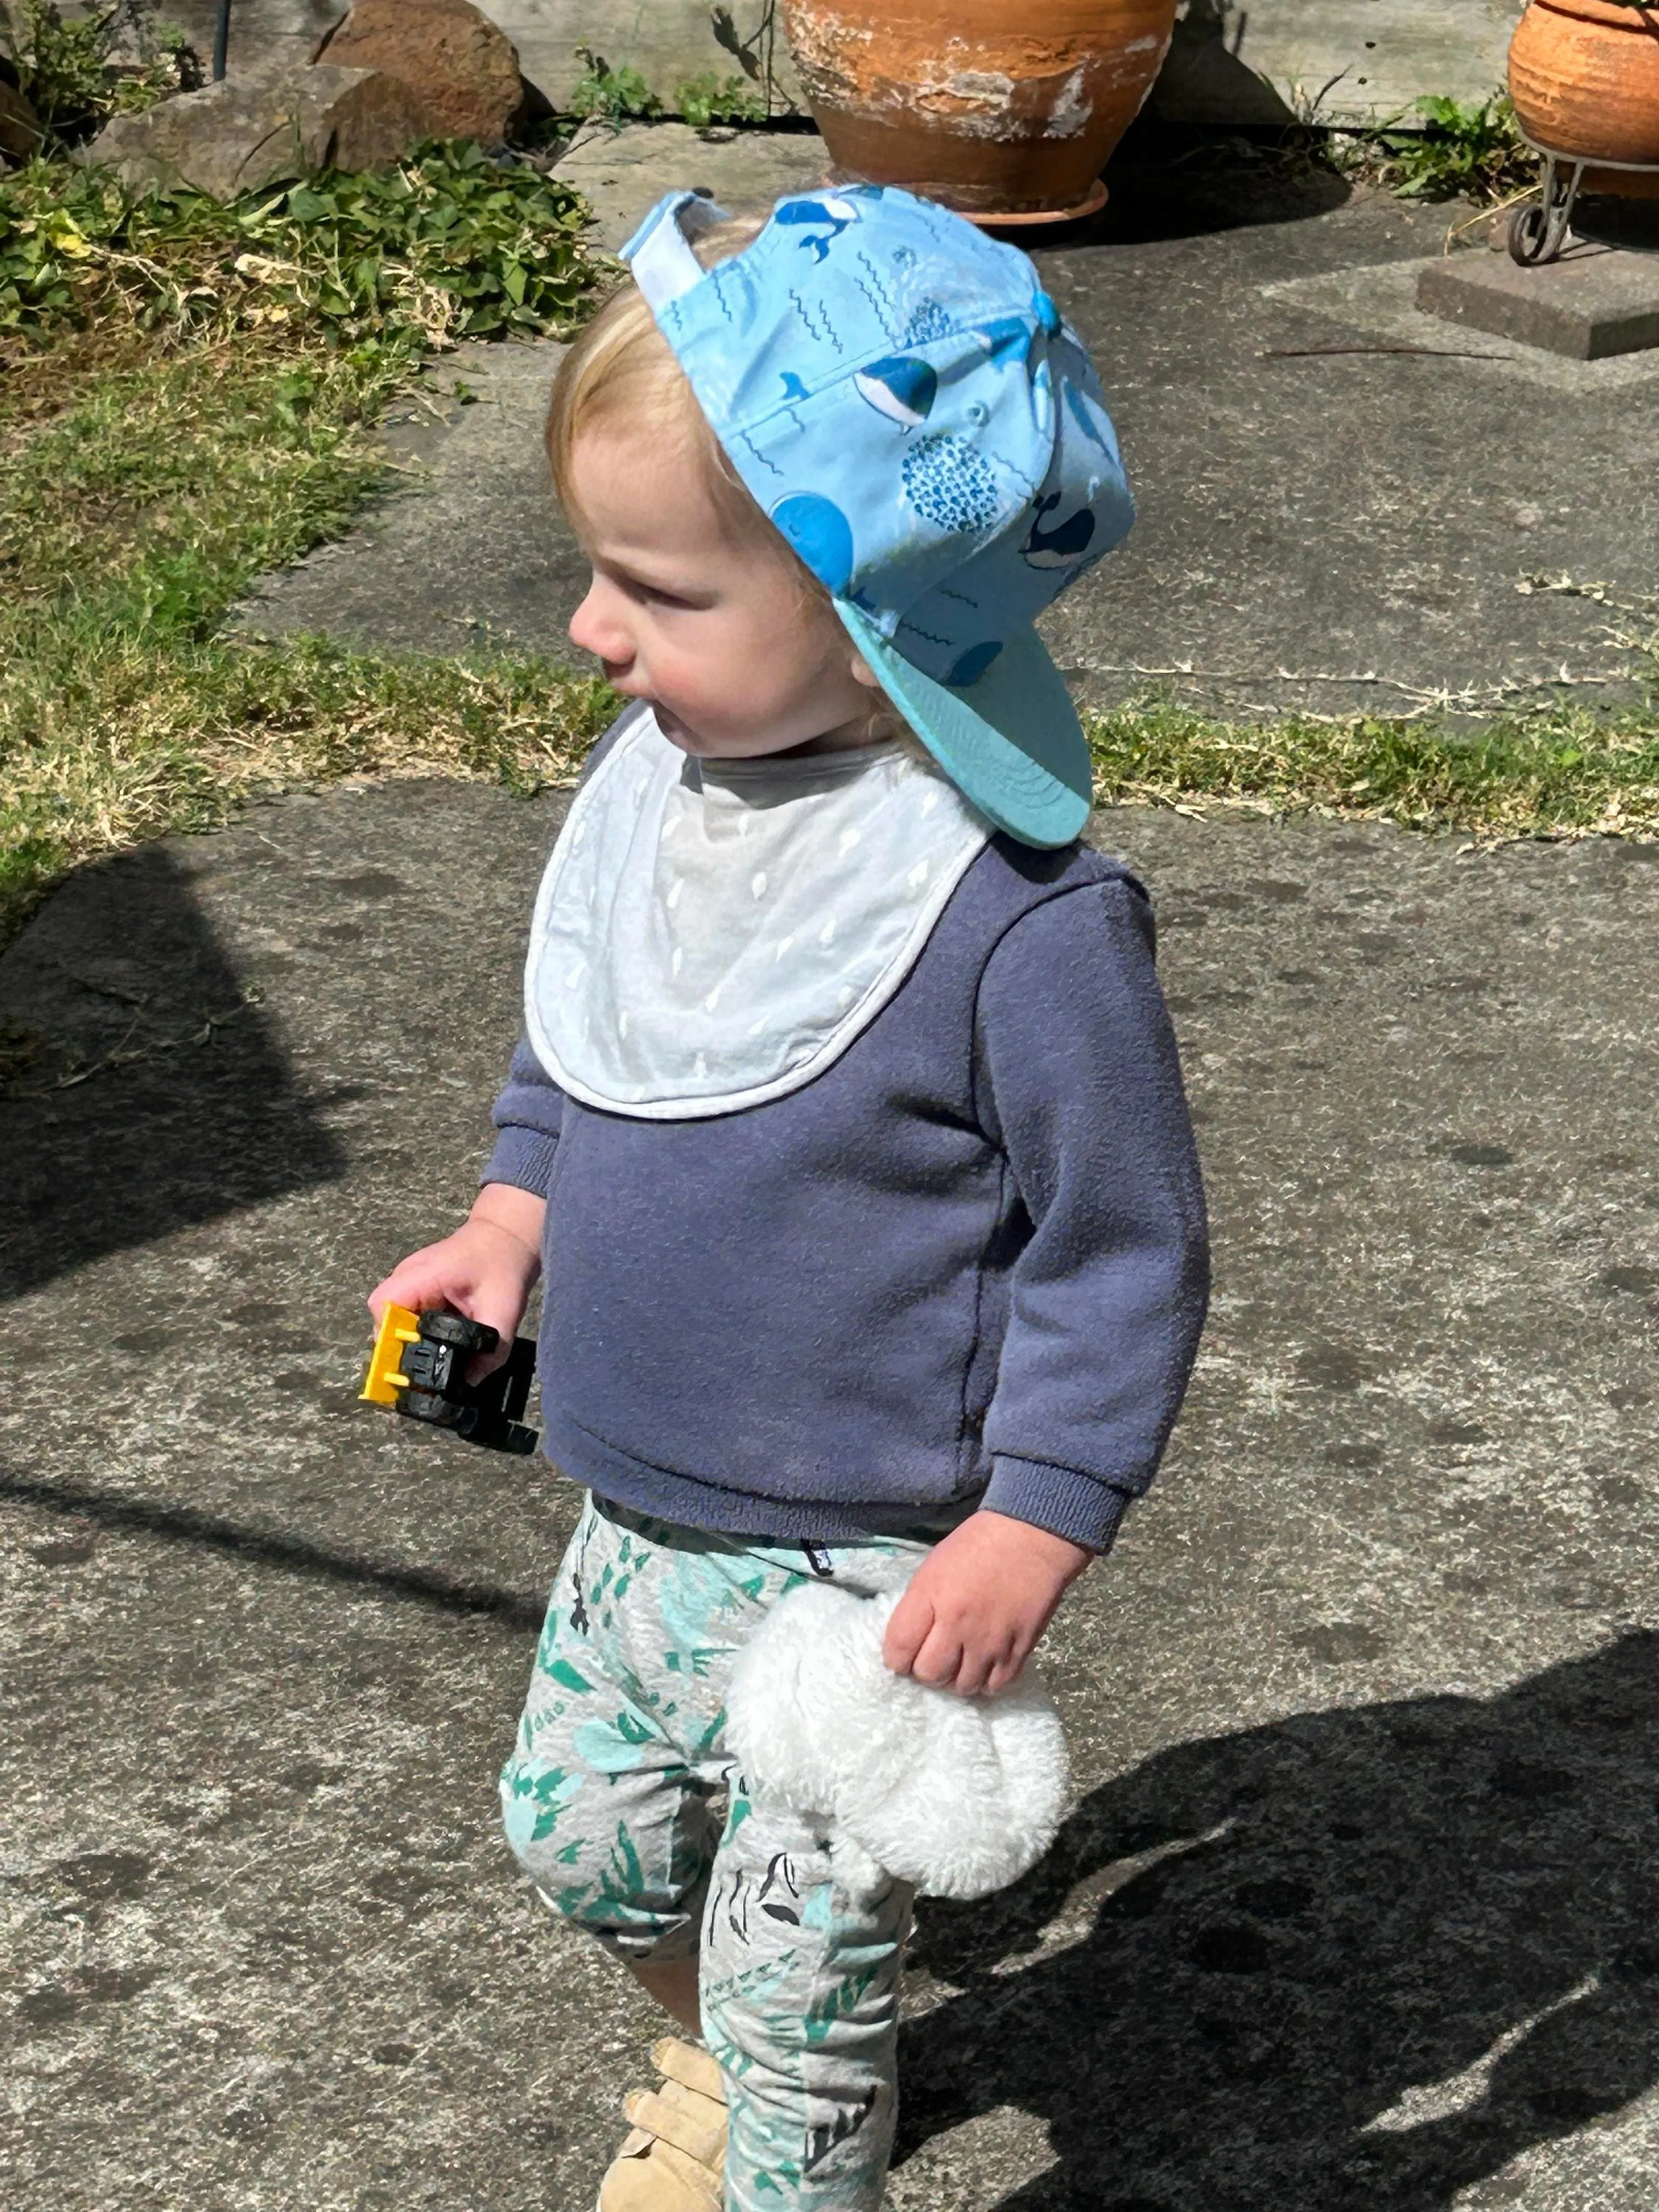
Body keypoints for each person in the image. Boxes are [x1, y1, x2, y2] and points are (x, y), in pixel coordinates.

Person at [370, 185, 1209, 2212]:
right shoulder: (663, 782)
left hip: (858, 1580)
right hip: (630, 1516)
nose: (591, 629)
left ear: (873, 610)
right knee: (577, 1837)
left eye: (649, 588)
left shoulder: (1019, 925)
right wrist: (509, 1219)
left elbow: (1122, 1246)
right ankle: (724, 2058)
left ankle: (783, 2123)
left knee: (807, 1983)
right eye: (599, 570)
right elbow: (596, 1039)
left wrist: (1040, 1514)